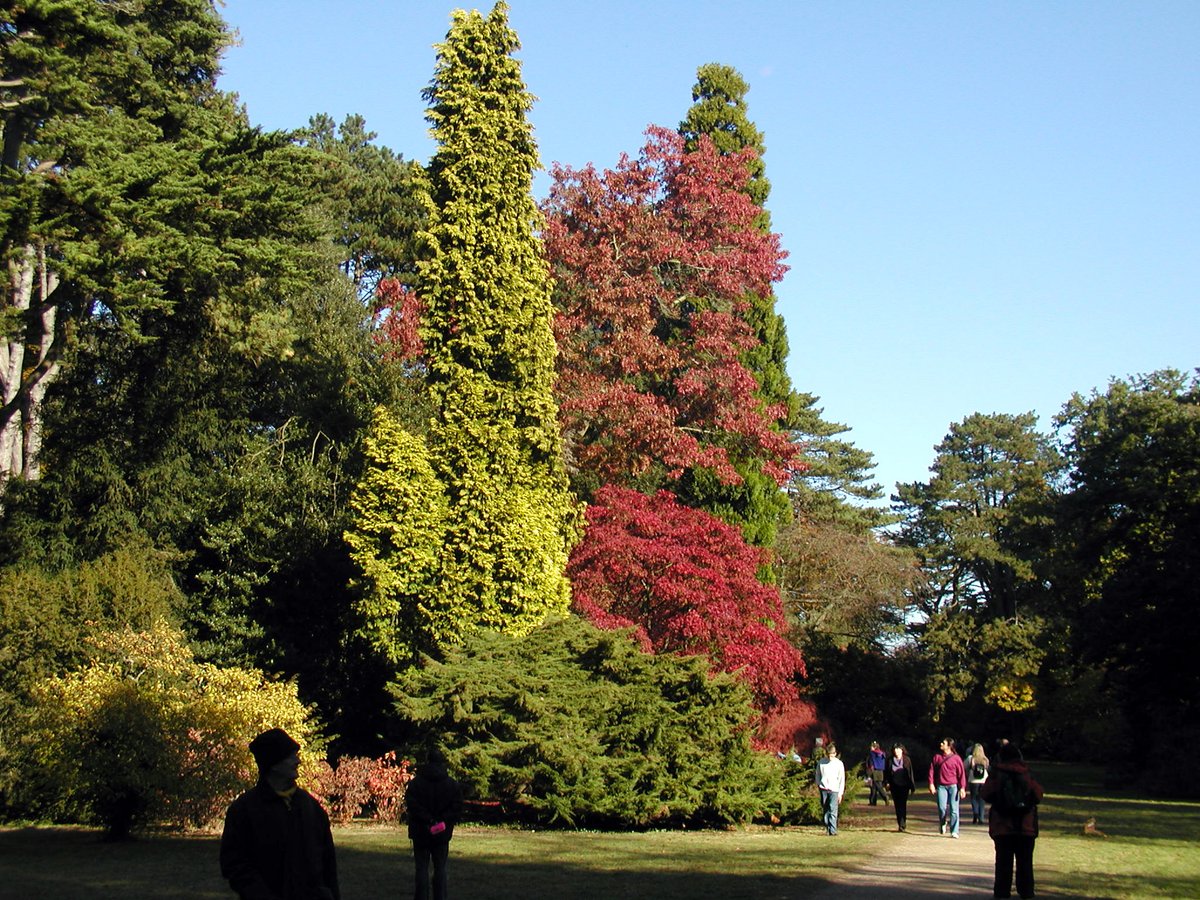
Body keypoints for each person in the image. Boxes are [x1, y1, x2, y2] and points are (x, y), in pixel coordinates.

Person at [220, 727, 339, 900]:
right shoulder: (245, 809)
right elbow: (234, 864)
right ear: (273, 765)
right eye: (291, 756)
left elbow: (327, 863)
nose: (297, 761)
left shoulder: (310, 806)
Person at [981, 743, 1044, 899]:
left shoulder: (997, 774)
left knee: (1003, 865)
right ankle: (1027, 893)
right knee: (1025, 864)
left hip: (1002, 826)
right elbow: (1038, 795)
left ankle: (1002, 894)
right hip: (1025, 826)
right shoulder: (1026, 773)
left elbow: (985, 793)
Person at [405, 747, 464, 900]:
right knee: (440, 869)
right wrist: (441, 820)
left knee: (422, 869)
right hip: (442, 832)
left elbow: (412, 805)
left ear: (427, 761)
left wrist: (428, 819)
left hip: (421, 831)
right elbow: (456, 807)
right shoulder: (452, 784)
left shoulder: (416, 784)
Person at [929, 737, 967, 837]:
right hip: (941, 786)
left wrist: (962, 788)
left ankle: (954, 830)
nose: (941, 744)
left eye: (943, 743)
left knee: (954, 810)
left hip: (953, 787)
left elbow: (961, 774)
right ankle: (943, 823)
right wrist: (931, 784)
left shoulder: (956, 758)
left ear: (949, 746)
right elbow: (931, 771)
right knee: (942, 808)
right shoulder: (937, 757)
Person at [882, 742, 915, 831]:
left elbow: (910, 773)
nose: (896, 751)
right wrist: (886, 783)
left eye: (898, 749)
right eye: (895, 749)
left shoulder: (907, 760)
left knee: (903, 804)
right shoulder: (890, 760)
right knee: (897, 805)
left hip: (904, 786)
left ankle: (903, 823)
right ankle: (900, 823)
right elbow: (886, 773)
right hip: (894, 785)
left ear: (902, 750)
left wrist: (912, 786)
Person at [815, 742, 846, 835]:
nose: (830, 758)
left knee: (833, 809)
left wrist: (840, 793)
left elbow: (841, 779)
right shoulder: (821, 762)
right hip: (824, 789)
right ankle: (827, 827)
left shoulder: (839, 764)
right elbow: (818, 775)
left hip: (834, 790)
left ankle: (833, 830)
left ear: (835, 754)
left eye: (832, 755)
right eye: (828, 755)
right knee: (825, 809)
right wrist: (819, 785)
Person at [968, 743, 991, 824]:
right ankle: (981, 818)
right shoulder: (985, 759)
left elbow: (965, 767)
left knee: (973, 798)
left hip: (973, 780)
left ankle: (975, 813)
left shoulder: (971, 758)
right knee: (981, 799)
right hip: (983, 780)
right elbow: (988, 769)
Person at [865, 741, 888, 806]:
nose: (870, 748)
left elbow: (870, 763)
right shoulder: (882, 753)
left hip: (874, 771)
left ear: (874, 747)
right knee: (874, 787)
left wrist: (869, 773)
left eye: (871, 746)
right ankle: (873, 801)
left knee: (878, 786)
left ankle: (885, 796)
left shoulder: (872, 753)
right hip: (881, 771)